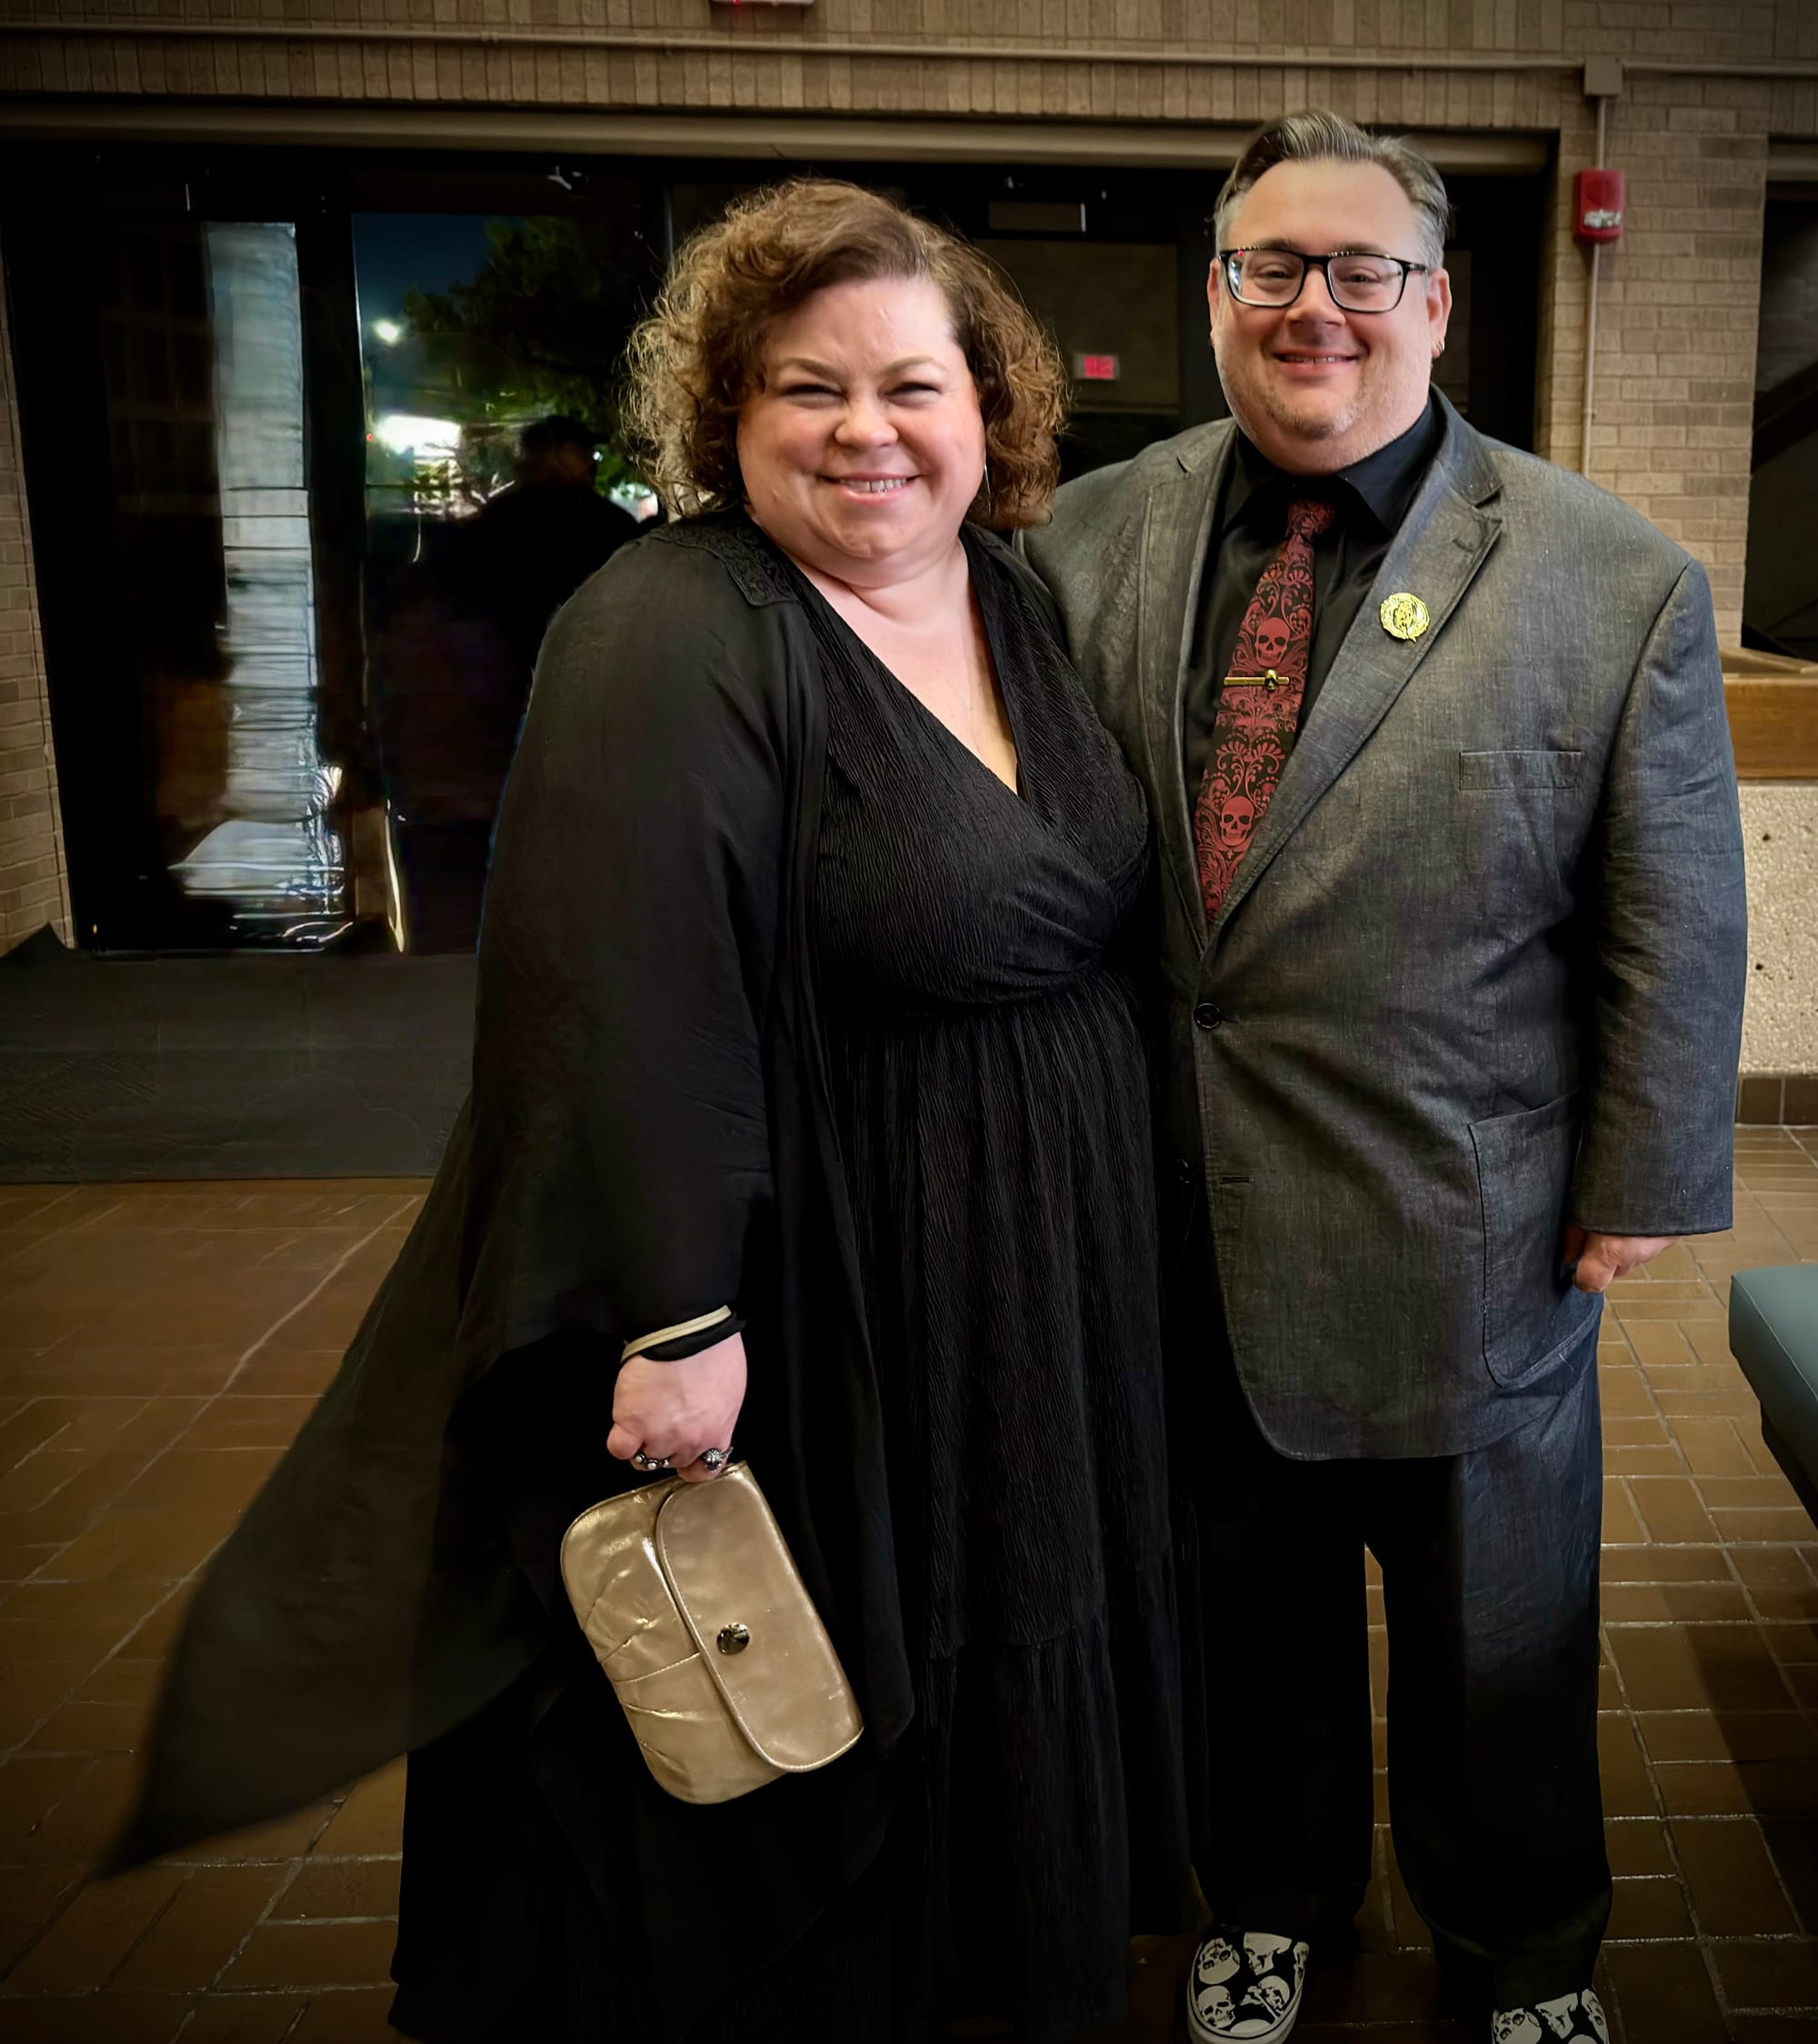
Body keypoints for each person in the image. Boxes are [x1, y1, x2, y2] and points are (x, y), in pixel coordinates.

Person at [113, 180, 1192, 2042]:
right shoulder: (674, 621)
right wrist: (676, 1309)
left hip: (1029, 1257)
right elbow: (614, 995)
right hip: (835, 1269)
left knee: (1000, 1639)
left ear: (989, 408)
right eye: (807, 386)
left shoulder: (1009, 589)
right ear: (725, 416)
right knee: (826, 1682)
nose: (868, 429)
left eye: (912, 383)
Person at [1023, 110, 1747, 2044]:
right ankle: (1261, 1899)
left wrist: (1638, 1174)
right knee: (1234, 1612)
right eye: (1273, 265)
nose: (1314, 308)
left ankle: (1522, 1949)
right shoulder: (1085, 538)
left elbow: (1673, 906)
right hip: (1173, 1206)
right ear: (1214, 296)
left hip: (1469, 1220)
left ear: (1435, 300)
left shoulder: (1609, 575)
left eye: (1359, 270)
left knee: (1492, 1630)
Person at [378, 415, 639, 951]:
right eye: (582, 455)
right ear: (559, 455)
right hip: (568, 709)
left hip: (489, 719)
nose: (588, 466)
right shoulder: (598, 523)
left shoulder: (490, 525)